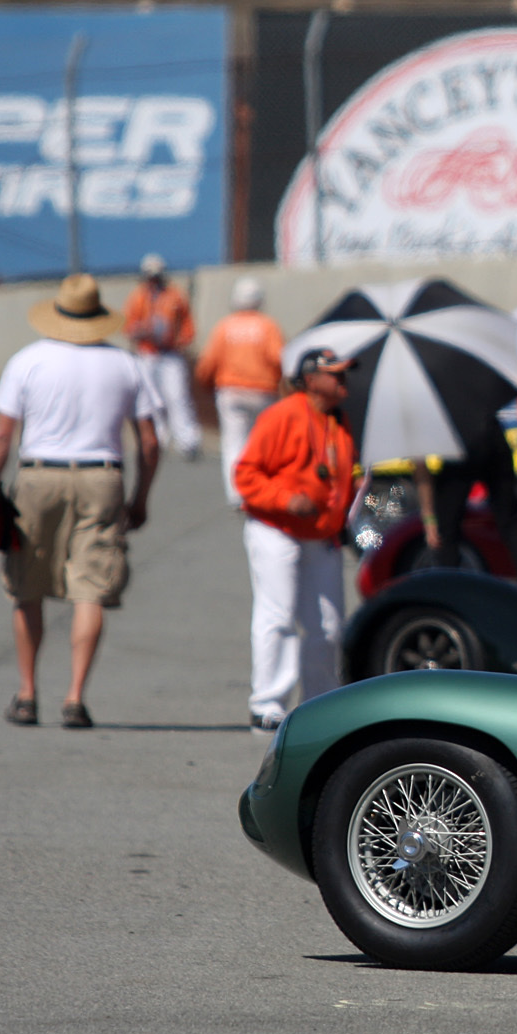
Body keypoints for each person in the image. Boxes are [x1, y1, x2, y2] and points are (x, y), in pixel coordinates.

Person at [0, 273, 161, 729]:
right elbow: (149, 441)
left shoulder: (27, 361)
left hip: (39, 476)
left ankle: (26, 693)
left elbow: (2, 434)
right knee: (91, 589)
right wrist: (141, 497)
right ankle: (75, 697)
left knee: (27, 587)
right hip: (102, 477)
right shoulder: (125, 364)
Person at [235, 348, 359, 732]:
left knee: (328, 624)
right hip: (276, 527)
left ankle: (320, 704)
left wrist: (349, 514)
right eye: (334, 374)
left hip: (320, 535)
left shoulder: (341, 422)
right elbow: (245, 475)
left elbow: (344, 481)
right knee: (279, 614)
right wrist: (286, 499)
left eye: (344, 373)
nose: (343, 380)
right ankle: (267, 703)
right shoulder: (282, 415)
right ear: (309, 380)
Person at [419, 418, 517, 588]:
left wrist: (429, 518)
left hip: (462, 445)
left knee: (446, 530)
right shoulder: (467, 392)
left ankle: (448, 590)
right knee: (511, 520)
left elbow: (421, 470)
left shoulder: (416, 406)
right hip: (492, 434)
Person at [193, 276, 284, 506]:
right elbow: (279, 358)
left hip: (230, 392)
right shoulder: (268, 325)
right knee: (262, 444)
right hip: (263, 393)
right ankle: (261, 490)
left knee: (234, 443)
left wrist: (204, 382)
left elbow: (208, 362)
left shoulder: (225, 326)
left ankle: (237, 495)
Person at [123, 254, 201, 462]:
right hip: (147, 353)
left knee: (177, 397)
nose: (154, 280)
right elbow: (129, 327)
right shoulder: (138, 296)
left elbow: (187, 327)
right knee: (151, 400)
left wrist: (181, 340)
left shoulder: (175, 295)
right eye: (150, 276)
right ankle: (158, 439)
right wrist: (142, 331)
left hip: (170, 354)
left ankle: (188, 440)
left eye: (157, 275)